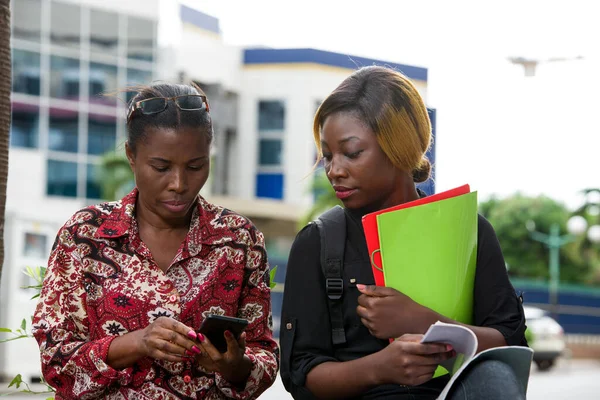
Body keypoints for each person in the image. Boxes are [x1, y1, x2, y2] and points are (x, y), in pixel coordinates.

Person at [280, 66, 528, 400]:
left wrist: (426, 322)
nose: (335, 170)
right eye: (327, 155)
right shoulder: (318, 242)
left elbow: (509, 348)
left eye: (352, 153)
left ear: (400, 147)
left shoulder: (469, 232)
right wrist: (378, 368)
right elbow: (300, 375)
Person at [32, 83, 279, 399]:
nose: (179, 183)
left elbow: (265, 358)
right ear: (131, 156)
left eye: (195, 166)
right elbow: (55, 361)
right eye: (161, 167)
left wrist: (233, 365)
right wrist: (137, 342)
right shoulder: (84, 235)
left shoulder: (239, 240)